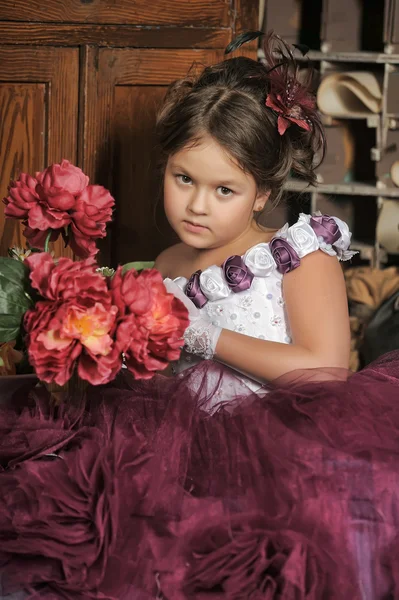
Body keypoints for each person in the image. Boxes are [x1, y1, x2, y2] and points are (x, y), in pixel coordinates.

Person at [1, 32, 399, 600]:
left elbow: (326, 371)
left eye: (224, 189)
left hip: (278, 452)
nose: (197, 204)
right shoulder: (167, 263)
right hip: (171, 445)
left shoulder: (298, 257)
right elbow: (161, 368)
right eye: (183, 178)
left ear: (261, 194)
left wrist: (206, 335)